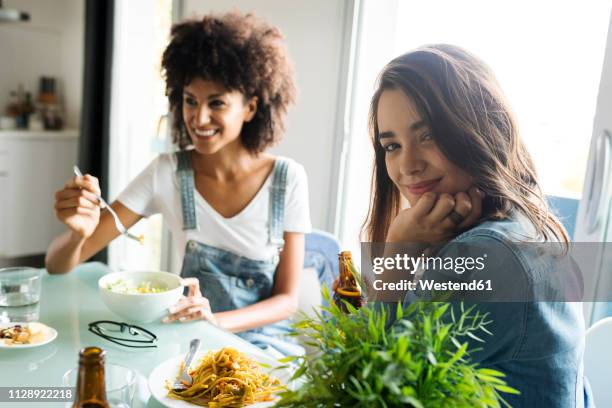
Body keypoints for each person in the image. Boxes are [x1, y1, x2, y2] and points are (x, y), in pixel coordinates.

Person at [45, 12, 310, 356]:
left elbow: (287, 300)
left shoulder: (288, 179)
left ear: (250, 107)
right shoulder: (165, 172)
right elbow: (57, 266)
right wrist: (79, 234)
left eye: (216, 103)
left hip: (265, 345)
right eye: (190, 101)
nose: (198, 119)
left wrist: (216, 320)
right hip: (193, 343)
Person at [363, 44, 589, 407]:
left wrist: (396, 254)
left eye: (428, 135)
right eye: (391, 146)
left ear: (478, 129)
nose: (408, 165)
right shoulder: (525, 224)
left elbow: (370, 387)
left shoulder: (487, 256)